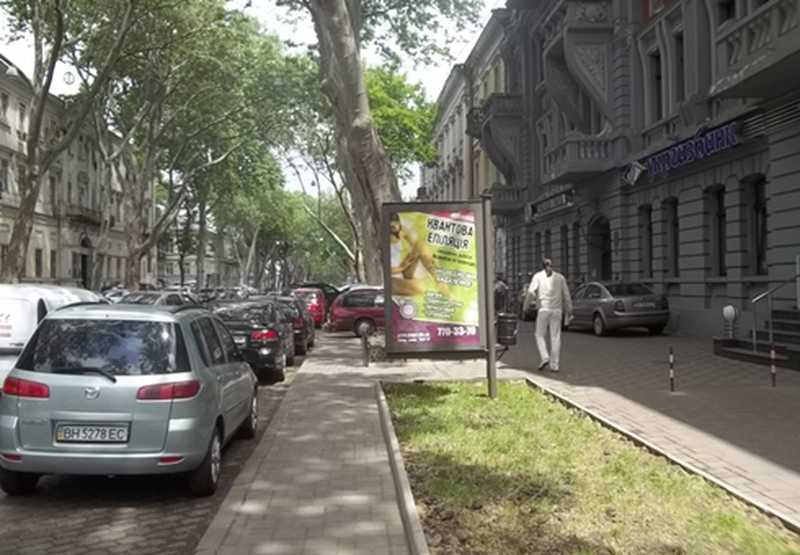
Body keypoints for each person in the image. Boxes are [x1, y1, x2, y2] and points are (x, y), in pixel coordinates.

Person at [526, 257, 572, 372]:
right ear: (552, 266)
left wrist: (525, 306)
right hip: (557, 311)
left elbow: (531, 292)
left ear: (542, 266)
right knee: (555, 337)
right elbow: (566, 295)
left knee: (539, 334)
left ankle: (544, 356)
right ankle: (554, 365)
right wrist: (569, 309)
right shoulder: (560, 277)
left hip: (543, 310)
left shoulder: (537, 276)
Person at [389, 213, 447, 297]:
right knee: (420, 288)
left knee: (421, 245)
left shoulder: (403, 231)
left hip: (403, 269)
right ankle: (434, 289)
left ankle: (440, 282)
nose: (396, 228)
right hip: (391, 276)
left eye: (397, 225)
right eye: (392, 227)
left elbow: (417, 248)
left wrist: (429, 258)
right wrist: (400, 268)